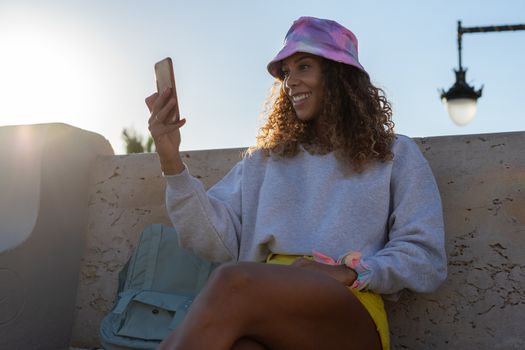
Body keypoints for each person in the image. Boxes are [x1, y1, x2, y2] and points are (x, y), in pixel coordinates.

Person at [145, 16, 447, 350]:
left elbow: (425, 256)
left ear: (338, 75)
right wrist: (171, 160)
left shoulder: (394, 153)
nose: (291, 82)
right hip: (258, 304)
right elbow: (214, 241)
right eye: (286, 72)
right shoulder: (263, 162)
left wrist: (352, 273)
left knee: (233, 281)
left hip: (346, 306)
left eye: (304, 67)